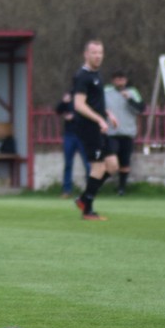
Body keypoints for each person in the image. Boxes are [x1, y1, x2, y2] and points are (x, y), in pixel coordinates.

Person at [72, 40, 119, 221]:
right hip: (89, 127)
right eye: (94, 53)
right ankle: (88, 210)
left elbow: (94, 102)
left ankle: (84, 198)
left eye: (100, 53)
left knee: (113, 166)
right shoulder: (82, 76)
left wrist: (107, 113)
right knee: (98, 166)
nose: (97, 56)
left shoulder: (97, 75)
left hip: (100, 126)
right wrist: (99, 119)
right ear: (86, 54)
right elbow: (79, 105)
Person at [104, 70, 145, 196]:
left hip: (127, 132)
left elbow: (141, 109)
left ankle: (121, 188)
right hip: (111, 132)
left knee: (125, 162)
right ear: (113, 80)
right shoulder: (106, 92)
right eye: (117, 79)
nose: (120, 82)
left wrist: (129, 99)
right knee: (112, 161)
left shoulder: (132, 92)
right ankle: (97, 184)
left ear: (126, 80)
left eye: (122, 79)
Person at [55, 91, 89, 197]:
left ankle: (90, 190)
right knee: (68, 164)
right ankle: (67, 190)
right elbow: (58, 111)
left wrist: (74, 117)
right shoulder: (70, 96)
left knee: (88, 164)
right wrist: (63, 102)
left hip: (83, 135)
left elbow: (88, 114)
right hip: (69, 135)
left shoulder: (86, 97)